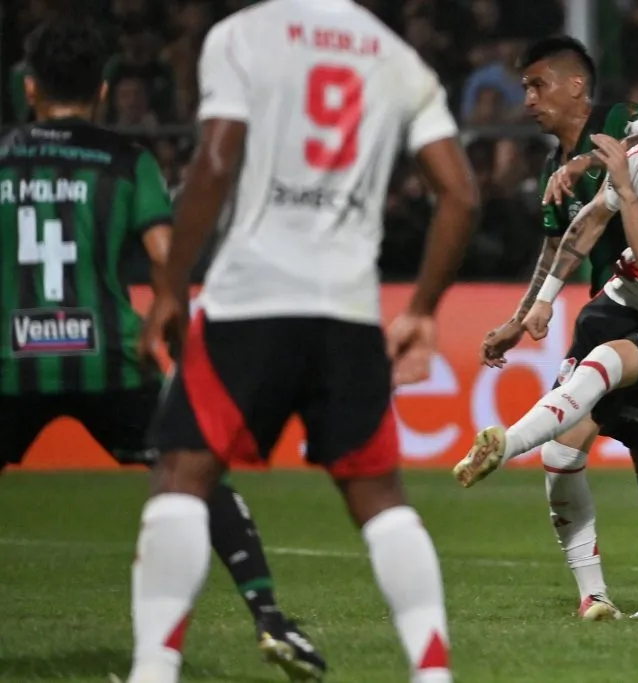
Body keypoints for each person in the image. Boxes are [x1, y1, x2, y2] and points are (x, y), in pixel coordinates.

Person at [122, 0, 477, 681]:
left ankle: (153, 669)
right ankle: (433, 672)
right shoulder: (398, 59)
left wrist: (169, 285)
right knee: (380, 499)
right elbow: (460, 194)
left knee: (182, 477)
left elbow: (218, 158)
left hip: (250, 300)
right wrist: (424, 308)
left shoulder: (240, 36)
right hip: (345, 308)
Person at [0, 18, 326, 680]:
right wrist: (176, 342)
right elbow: (164, 263)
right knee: (194, 472)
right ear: (101, 88)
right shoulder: (126, 162)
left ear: (29, 89)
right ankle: (270, 617)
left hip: (9, 364)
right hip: (110, 358)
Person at [456, 77, 638, 620]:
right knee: (563, 453)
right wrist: (536, 307)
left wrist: (626, 185)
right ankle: (599, 595)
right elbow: (589, 225)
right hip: (617, 302)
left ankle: (507, 444)